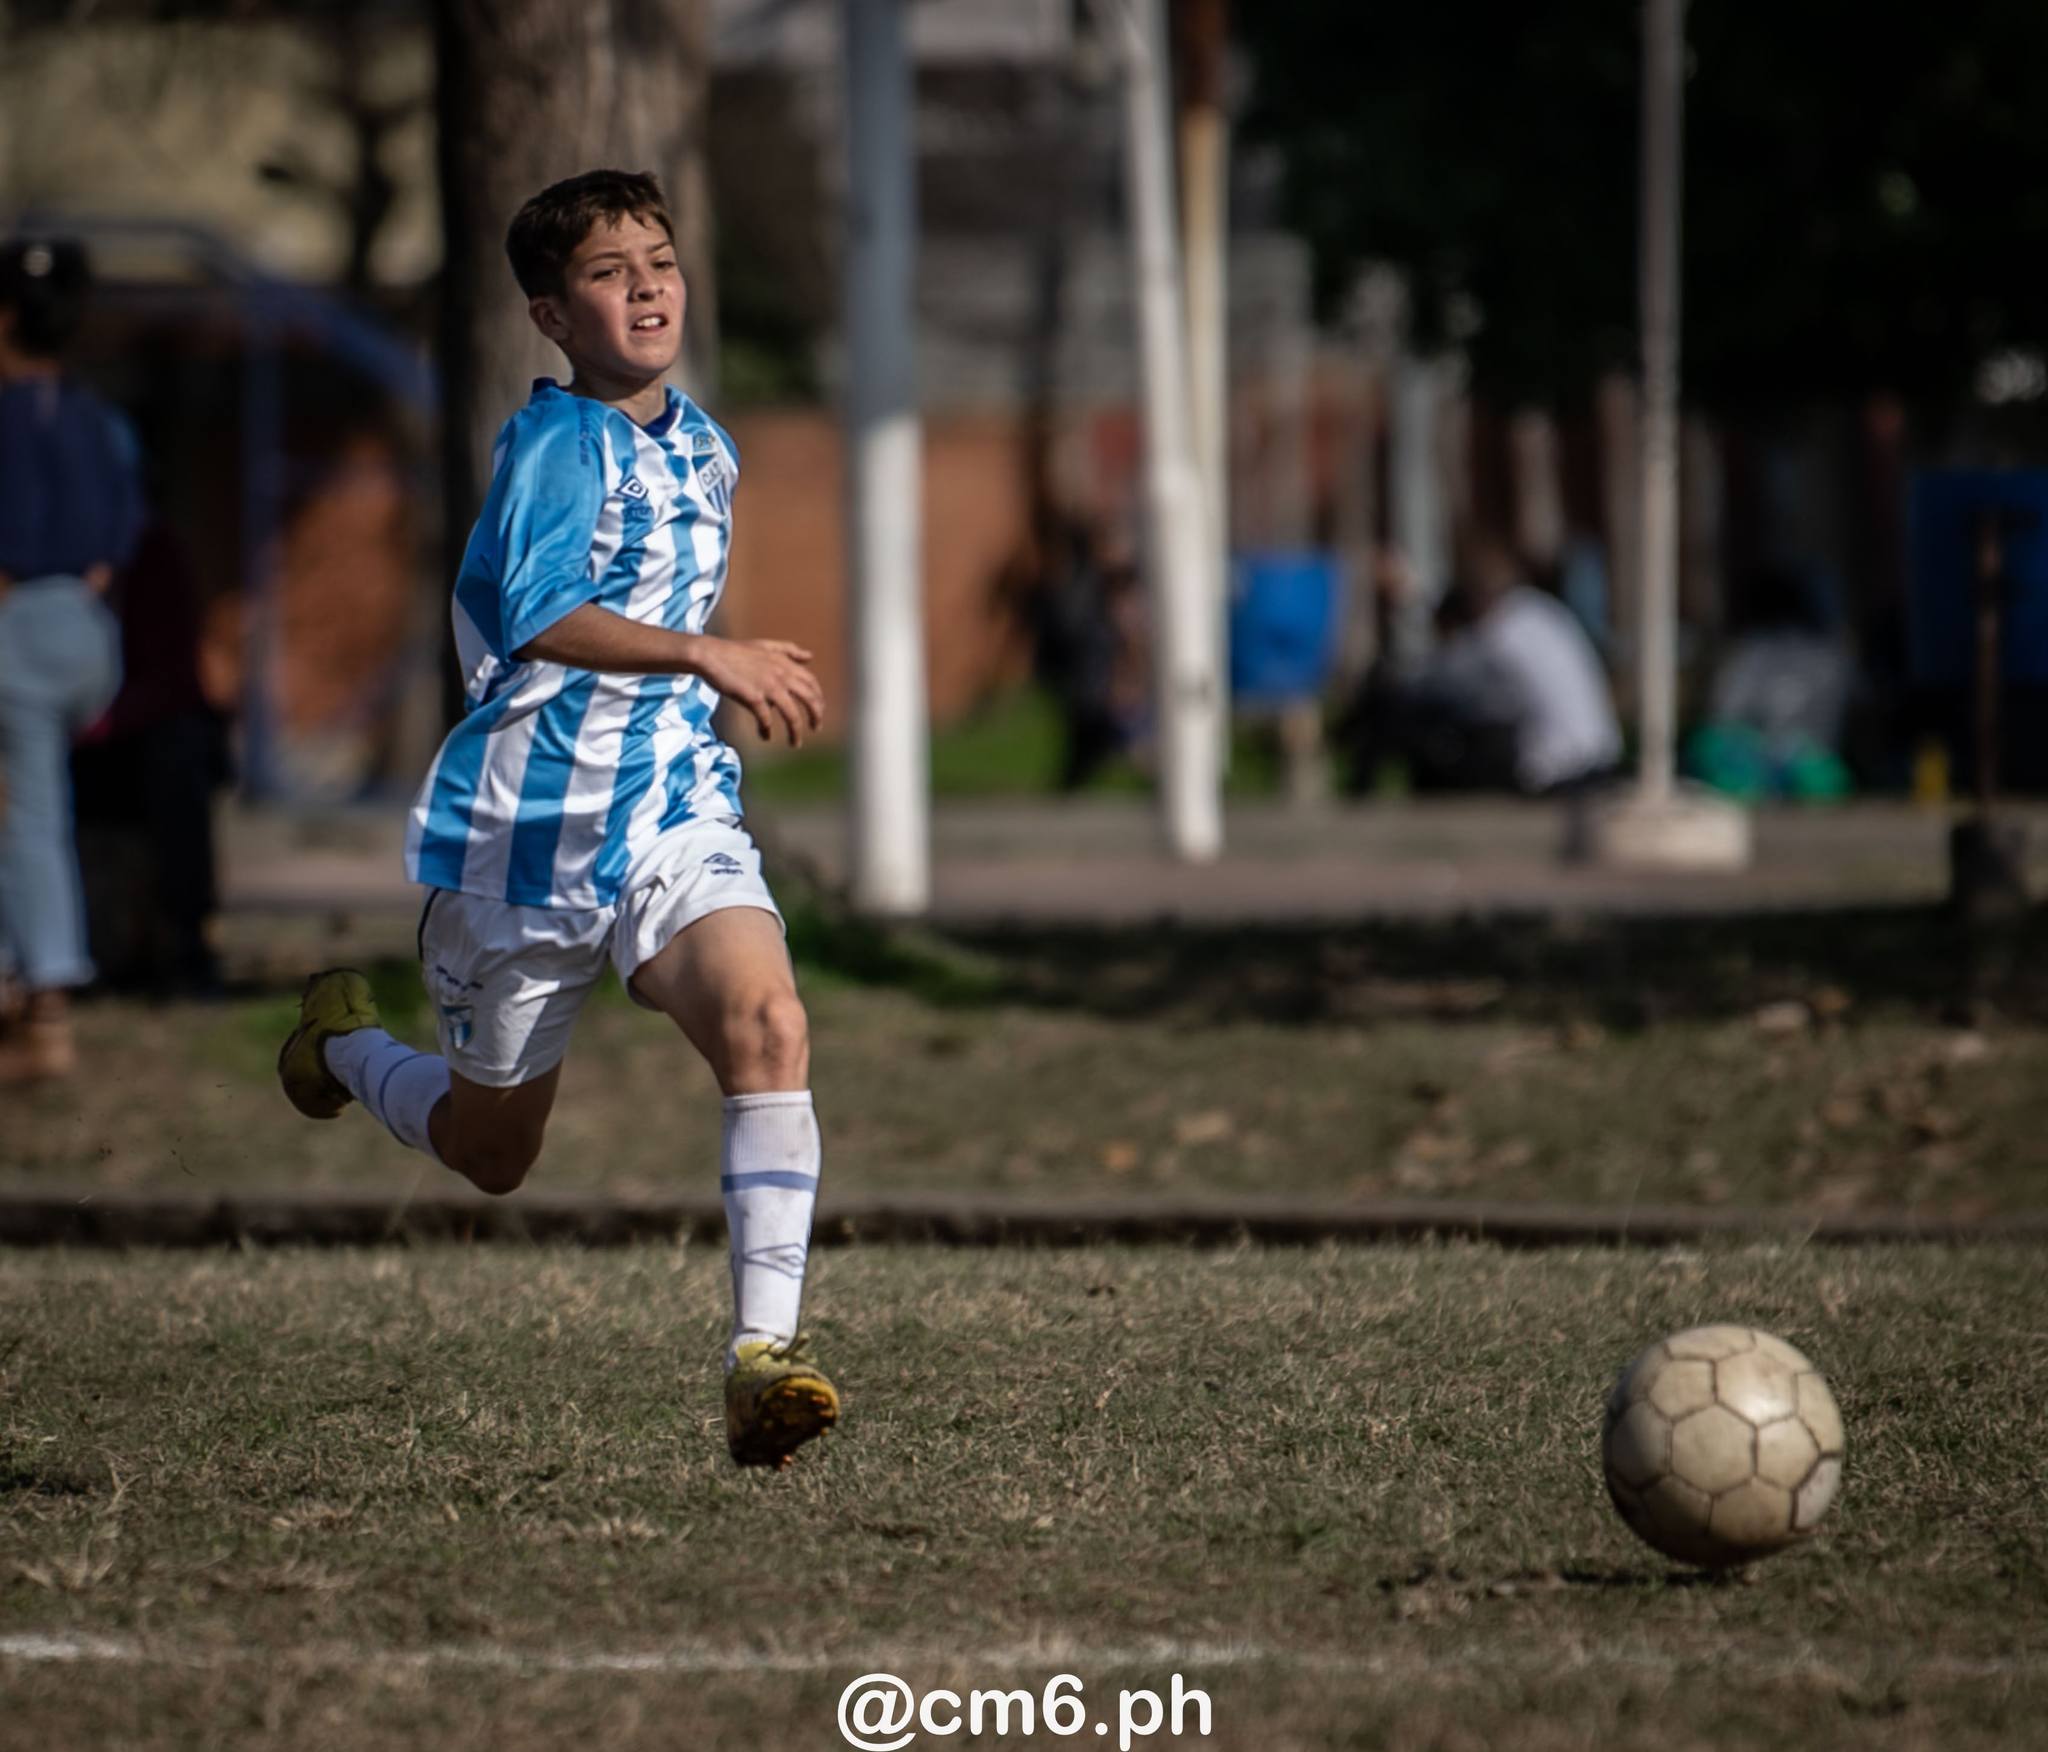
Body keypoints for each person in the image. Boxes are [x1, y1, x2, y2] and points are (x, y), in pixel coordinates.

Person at [275, 171, 837, 1468]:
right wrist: (708, 656)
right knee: (492, 1155)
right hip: (523, 841)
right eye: (607, 271)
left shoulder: (707, 443)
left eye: (661, 260)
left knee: (772, 1022)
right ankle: (348, 1047)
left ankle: (763, 1362)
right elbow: (535, 615)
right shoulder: (549, 447)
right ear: (549, 312)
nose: (645, 285)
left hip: (670, 812)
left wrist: (701, 682)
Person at [0, 237, 143, 1084]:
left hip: (21, 626)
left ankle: (42, 992)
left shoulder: (7, 414)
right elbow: (115, 543)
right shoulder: (96, 418)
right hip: (86, 630)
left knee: (26, 814)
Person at [1344, 534, 1621, 796]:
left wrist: (1406, 590)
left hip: (1561, 771)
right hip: (1600, 756)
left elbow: (1440, 677)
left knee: (1430, 731)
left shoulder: (1505, 633)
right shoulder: (1537, 611)